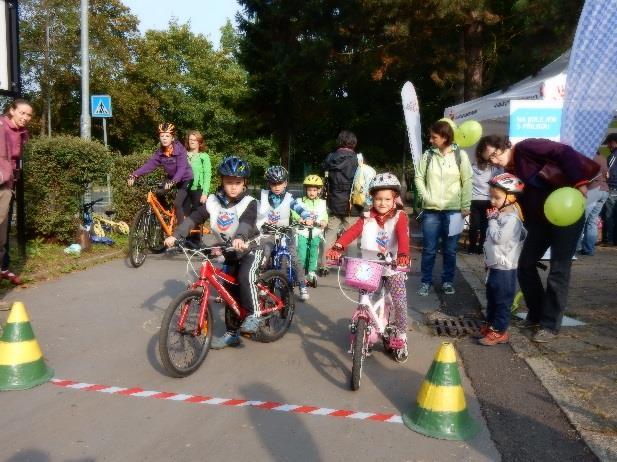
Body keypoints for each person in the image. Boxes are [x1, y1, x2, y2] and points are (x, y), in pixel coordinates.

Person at [478, 135, 599, 343]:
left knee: (559, 269)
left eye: (495, 155)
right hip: (539, 221)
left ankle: (550, 325)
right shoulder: (509, 173)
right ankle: (537, 312)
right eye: (490, 160)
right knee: (525, 264)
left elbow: (564, 152)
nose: (495, 162)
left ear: (503, 146)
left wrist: (580, 183)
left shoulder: (527, 148)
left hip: (567, 212)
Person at [164, 156, 262, 349]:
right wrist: (176, 235)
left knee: (245, 277)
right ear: (222, 182)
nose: (233, 187)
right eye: (228, 182)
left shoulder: (249, 202)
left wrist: (240, 237)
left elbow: (247, 221)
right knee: (229, 293)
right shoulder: (214, 201)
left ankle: (254, 314)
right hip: (230, 251)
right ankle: (232, 333)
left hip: (250, 248)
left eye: (237, 183)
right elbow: (195, 217)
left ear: (244, 183)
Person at [325, 173, 411, 362]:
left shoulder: (400, 217)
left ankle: (401, 335)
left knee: (399, 300)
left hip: (393, 265)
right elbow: (352, 232)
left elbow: (403, 237)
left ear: (395, 198)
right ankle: (365, 330)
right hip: (370, 266)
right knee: (365, 301)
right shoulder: (366, 218)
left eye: (387, 199)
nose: (382, 203)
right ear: (372, 198)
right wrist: (338, 246)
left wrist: (403, 255)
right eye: (378, 199)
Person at [414, 120, 473, 296]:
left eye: (434, 137)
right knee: (429, 249)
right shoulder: (428, 155)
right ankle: (426, 281)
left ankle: (447, 281)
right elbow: (418, 177)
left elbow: (467, 181)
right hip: (431, 210)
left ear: (445, 137)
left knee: (450, 250)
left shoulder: (460, 155)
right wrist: (426, 196)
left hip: (454, 210)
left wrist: (465, 205)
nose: (431, 140)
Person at [477, 173, 526, 346]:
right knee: (491, 298)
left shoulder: (512, 219)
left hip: (505, 268)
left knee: (502, 300)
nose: (492, 201)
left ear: (511, 197)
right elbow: (491, 243)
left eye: (497, 197)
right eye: (491, 196)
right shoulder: (501, 215)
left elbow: (499, 238)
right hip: (495, 265)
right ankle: (490, 325)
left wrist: (491, 221)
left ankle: (500, 331)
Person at [257, 166, 315, 301]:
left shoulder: (289, 198)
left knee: (294, 257)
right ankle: (263, 284)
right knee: (264, 256)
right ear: (269, 184)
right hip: (269, 232)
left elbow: (299, 208)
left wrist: (307, 217)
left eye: (280, 183)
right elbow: (256, 209)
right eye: (273, 184)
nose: (277, 187)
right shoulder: (264, 196)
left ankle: (302, 285)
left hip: (286, 231)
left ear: (285, 183)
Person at [128, 123, 192, 225]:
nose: (164, 138)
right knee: (159, 193)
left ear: (172, 138)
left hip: (185, 179)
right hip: (171, 177)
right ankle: (166, 213)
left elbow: (181, 169)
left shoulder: (180, 150)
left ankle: (180, 234)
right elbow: (149, 165)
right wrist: (134, 175)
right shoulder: (160, 152)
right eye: (162, 136)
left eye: (167, 136)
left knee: (177, 203)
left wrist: (173, 182)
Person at [0, 99, 33, 286]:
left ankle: (3, 269)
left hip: (8, 184)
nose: (26, 117)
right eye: (22, 113)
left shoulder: (21, 132)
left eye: (29, 115)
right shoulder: (1, 127)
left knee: (2, 232)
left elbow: (15, 159)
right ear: (11, 111)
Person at [322, 130, 360, 255]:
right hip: (352, 203)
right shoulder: (358, 159)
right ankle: (352, 266)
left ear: (339, 142)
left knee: (330, 234)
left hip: (333, 201)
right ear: (353, 143)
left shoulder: (331, 157)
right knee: (351, 236)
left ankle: (325, 264)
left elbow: (324, 173)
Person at [292, 175, 328, 287]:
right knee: (301, 253)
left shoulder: (322, 203)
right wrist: (299, 219)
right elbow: (293, 212)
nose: (312, 192)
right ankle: (300, 272)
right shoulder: (299, 201)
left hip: (316, 232)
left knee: (314, 252)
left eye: (314, 190)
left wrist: (324, 222)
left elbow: (324, 215)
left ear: (319, 190)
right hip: (302, 232)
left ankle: (311, 272)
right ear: (305, 190)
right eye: (309, 190)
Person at [468, 148, 502, 254]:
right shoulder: (493, 169)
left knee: (474, 225)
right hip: (488, 200)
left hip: (474, 199)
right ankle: (482, 248)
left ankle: (471, 248)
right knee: (485, 225)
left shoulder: (472, 168)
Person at [577, 152, 608, 255]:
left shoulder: (589, 157)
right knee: (592, 221)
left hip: (593, 190)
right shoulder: (603, 158)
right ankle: (589, 249)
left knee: (581, 220)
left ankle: (575, 249)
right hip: (605, 190)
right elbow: (608, 174)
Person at [184, 130, 212, 212]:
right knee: (184, 216)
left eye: (194, 140)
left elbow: (207, 175)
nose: (192, 142)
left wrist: (205, 193)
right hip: (185, 189)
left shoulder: (204, 157)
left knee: (196, 217)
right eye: (190, 140)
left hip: (198, 190)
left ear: (199, 142)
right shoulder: (183, 155)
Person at [603, 134, 617, 245]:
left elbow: (608, 172)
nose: (607, 146)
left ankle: (609, 239)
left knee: (609, 215)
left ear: (613, 142)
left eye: (608, 143)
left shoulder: (613, 156)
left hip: (613, 187)